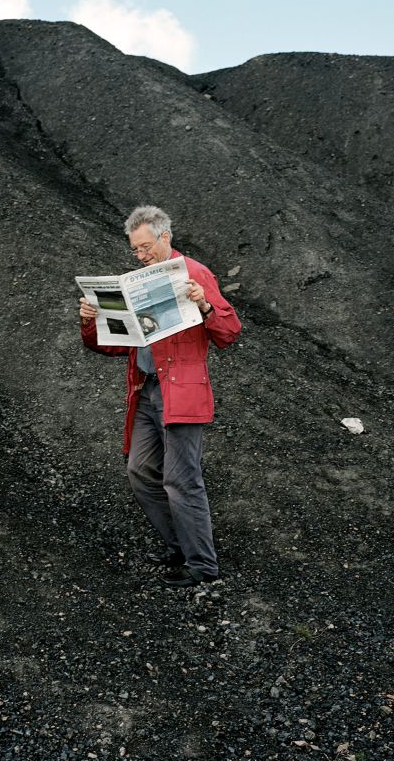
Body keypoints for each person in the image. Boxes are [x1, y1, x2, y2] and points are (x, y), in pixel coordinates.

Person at [78, 205, 241, 587]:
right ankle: (179, 546)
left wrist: (203, 304)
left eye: (146, 247)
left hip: (181, 393)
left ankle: (202, 567)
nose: (140, 255)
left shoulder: (195, 274)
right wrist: (90, 320)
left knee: (181, 481)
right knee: (139, 471)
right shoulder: (136, 281)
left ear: (166, 237)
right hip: (146, 390)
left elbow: (230, 332)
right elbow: (112, 346)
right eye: (135, 250)